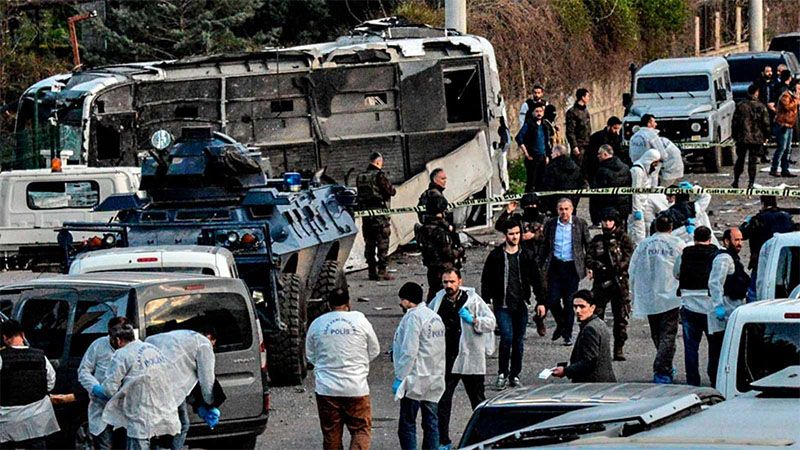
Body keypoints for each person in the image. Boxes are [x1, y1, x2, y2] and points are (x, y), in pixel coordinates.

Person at [428, 268, 495, 450]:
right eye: (445, 282)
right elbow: (426, 320)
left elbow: (491, 322)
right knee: (443, 401)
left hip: (470, 357)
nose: (448, 286)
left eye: (452, 281)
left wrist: (473, 320)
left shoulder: (472, 300)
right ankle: (444, 440)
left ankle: (484, 439)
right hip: (447, 359)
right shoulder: (438, 300)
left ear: (460, 281)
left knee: (478, 402)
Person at [306, 288, 380, 450]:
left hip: (327, 389)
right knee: (361, 429)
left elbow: (310, 354)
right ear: (348, 303)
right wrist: (359, 364)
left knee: (331, 432)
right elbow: (374, 350)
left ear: (328, 304)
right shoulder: (360, 321)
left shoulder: (318, 324)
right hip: (356, 387)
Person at [481, 220, 545, 389]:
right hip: (502, 305)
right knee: (507, 338)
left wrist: (541, 301)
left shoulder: (526, 255)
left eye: (517, 233)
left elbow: (537, 280)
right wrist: (486, 301)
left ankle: (514, 374)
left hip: (520, 305)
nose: (515, 237)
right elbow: (486, 279)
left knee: (518, 341)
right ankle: (502, 373)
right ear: (505, 235)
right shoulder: (495, 256)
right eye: (511, 234)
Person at [98, 322, 180, 450]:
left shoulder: (121, 354)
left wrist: (99, 391)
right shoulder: (152, 349)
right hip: (166, 416)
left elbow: (110, 388)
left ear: (118, 340)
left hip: (141, 418)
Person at [629, 215, 685, 384]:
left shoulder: (644, 245)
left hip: (650, 297)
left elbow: (633, 269)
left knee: (658, 334)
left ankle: (664, 365)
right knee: (668, 335)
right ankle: (662, 368)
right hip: (670, 296)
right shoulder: (677, 244)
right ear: (671, 227)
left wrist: (635, 291)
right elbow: (684, 267)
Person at [392, 282, 446, 450]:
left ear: (408, 300)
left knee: (407, 424)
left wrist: (400, 378)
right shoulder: (433, 316)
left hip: (415, 378)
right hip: (434, 377)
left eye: (402, 300)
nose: (401, 303)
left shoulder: (413, 318)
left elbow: (409, 351)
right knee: (431, 422)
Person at [145, 327, 218, 450]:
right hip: (167, 390)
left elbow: (184, 381)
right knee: (176, 427)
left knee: (178, 424)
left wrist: (197, 405)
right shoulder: (204, 344)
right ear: (210, 337)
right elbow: (207, 382)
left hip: (150, 384)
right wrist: (210, 405)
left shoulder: (177, 336)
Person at [0, 319, 59, 449]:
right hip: (37, 420)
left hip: (9, 420)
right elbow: (50, 382)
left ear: (5, 338)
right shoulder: (40, 356)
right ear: (22, 335)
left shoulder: (1, 358)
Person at [585, 208, 634, 361]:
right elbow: (589, 258)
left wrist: (618, 267)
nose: (607, 223)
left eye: (610, 220)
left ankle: (618, 348)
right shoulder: (597, 240)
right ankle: (598, 348)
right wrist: (598, 267)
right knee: (596, 317)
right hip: (601, 283)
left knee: (620, 318)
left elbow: (629, 257)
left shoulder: (623, 239)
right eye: (604, 221)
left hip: (619, 283)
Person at [540, 198, 590, 346]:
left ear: (572, 209)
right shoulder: (551, 224)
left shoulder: (580, 224)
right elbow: (545, 245)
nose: (564, 212)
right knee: (552, 299)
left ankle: (567, 334)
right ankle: (561, 323)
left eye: (567, 209)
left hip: (572, 267)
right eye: (561, 209)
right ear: (557, 210)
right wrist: (540, 264)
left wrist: (590, 265)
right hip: (555, 265)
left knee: (569, 301)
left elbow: (588, 244)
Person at [673, 226, 719, 387]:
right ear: (710, 238)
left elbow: (676, 273)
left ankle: (693, 382)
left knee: (691, 348)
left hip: (689, 305)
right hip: (710, 307)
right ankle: (714, 378)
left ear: (694, 238)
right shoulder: (717, 254)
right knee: (714, 347)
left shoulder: (686, 254)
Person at [78, 316, 130, 450]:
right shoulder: (98, 345)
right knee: (104, 446)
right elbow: (84, 370)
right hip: (101, 408)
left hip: (125, 409)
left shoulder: (135, 348)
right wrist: (95, 388)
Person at [707, 228, 750, 387]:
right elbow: (715, 283)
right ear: (726, 241)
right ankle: (716, 384)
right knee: (718, 351)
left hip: (731, 311)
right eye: (736, 240)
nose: (739, 243)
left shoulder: (733, 259)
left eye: (740, 240)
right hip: (723, 313)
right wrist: (719, 308)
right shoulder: (724, 258)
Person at [552, 290, 616, 383]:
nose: (577, 310)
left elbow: (589, 362)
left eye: (582, 306)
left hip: (591, 385)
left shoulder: (590, 329)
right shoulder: (599, 323)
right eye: (575, 307)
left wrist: (565, 371)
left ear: (592, 307)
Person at [741, 196, 796, 300]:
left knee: (756, 290)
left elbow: (742, 234)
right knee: (781, 289)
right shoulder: (785, 218)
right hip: (783, 260)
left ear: (762, 204)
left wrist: (746, 222)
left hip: (760, 260)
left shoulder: (757, 219)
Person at [356, 152, 397, 280]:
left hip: (366, 216)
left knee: (369, 244)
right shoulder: (379, 176)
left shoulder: (361, 176)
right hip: (380, 215)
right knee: (382, 243)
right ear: (378, 162)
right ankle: (382, 271)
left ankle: (371, 271)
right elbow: (390, 191)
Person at [417, 195, 464, 301]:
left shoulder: (425, 227)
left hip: (431, 265)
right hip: (443, 266)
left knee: (434, 292)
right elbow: (447, 252)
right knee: (445, 293)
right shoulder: (440, 230)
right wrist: (459, 251)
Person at [732, 84, 772, 188]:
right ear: (756, 92)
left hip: (742, 137)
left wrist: (735, 135)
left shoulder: (740, 105)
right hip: (756, 137)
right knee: (753, 161)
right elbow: (766, 123)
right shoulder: (760, 106)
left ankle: (736, 181)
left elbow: (735, 122)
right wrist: (767, 135)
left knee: (740, 160)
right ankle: (751, 183)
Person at [515, 102, 554, 192]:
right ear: (533, 112)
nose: (539, 113)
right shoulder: (529, 124)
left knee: (542, 181)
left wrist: (547, 155)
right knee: (531, 181)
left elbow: (547, 141)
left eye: (540, 111)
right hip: (533, 157)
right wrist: (526, 153)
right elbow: (519, 138)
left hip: (543, 157)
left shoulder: (545, 125)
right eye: (536, 111)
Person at [628, 149, 663, 245]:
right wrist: (636, 210)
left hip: (645, 204)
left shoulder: (647, 170)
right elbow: (635, 192)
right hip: (637, 207)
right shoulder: (637, 170)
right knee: (638, 233)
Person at [590, 144, 631, 227]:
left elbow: (597, 193)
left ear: (605, 154)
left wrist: (595, 216)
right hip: (624, 206)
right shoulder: (626, 168)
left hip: (608, 208)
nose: (598, 156)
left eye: (599, 154)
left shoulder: (602, 171)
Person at [540, 144, 585, 215]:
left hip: (555, 205)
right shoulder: (575, 167)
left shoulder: (551, 168)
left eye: (552, 152)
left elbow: (546, 186)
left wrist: (545, 205)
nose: (551, 155)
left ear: (557, 154)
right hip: (571, 202)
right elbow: (581, 184)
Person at [770, 76, 799, 178]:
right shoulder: (785, 95)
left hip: (789, 124)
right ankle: (774, 168)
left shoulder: (792, 96)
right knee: (781, 148)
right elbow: (787, 106)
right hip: (782, 125)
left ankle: (785, 169)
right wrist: (797, 100)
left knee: (788, 148)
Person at [584, 116, 625, 184]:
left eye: (618, 129)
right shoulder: (597, 137)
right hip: (597, 168)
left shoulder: (617, 138)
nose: (616, 131)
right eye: (614, 128)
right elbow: (590, 155)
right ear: (609, 126)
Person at [565, 88, 592, 166]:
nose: (588, 98)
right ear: (583, 97)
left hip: (587, 144)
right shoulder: (572, 112)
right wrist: (574, 146)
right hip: (579, 145)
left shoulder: (585, 110)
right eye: (587, 96)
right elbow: (570, 131)